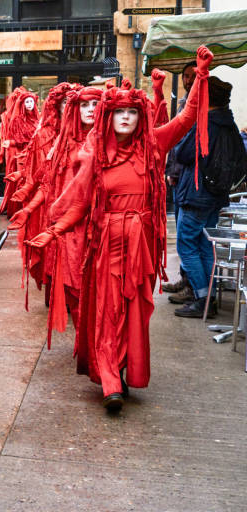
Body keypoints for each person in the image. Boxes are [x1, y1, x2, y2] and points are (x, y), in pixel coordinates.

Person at [27, 47, 214, 412]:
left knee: (136, 313)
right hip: (107, 245)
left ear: (138, 116)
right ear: (109, 117)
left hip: (140, 245)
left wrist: (202, 76)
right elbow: (80, 201)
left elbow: (188, 118)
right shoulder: (95, 151)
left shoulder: (153, 144)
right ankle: (110, 379)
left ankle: (125, 370)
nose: (126, 118)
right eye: (119, 113)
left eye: (132, 112)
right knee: (108, 310)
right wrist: (54, 231)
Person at [173, 76, 245, 318]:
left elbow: (182, 153)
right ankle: (209, 298)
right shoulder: (230, 124)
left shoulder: (206, 123)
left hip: (196, 195)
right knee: (205, 247)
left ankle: (202, 298)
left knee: (187, 246)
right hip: (216, 195)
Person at [6, 82, 81, 292]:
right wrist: (26, 182)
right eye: (66, 102)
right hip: (51, 202)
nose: (70, 106)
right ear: (57, 105)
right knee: (52, 250)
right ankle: (55, 290)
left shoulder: (93, 136)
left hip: (80, 205)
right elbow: (41, 171)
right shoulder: (44, 135)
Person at [163, 61, 197, 303]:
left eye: (191, 76)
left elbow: (183, 144)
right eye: (185, 76)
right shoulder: (184, 101)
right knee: (186, 236)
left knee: (189, 239)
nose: (187, 80)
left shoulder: (195, 106)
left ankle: (196, 289)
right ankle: (187, 280)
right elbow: (174, 143)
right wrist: (170, 170)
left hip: (192, 181)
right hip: (179, 177)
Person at [0, 88, 39, 218]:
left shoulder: (38, 119)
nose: (29, 104)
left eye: (31, 101)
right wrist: (11, 143)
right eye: (27, 102)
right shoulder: (18, 121)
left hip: (35, 154)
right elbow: (18, 140)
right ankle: (18, 207)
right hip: (21, 155)